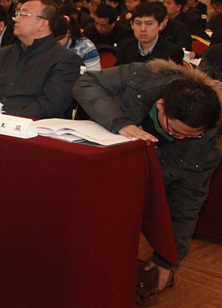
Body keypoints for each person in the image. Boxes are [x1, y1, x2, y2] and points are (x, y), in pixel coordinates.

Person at [73, 61, 221, 297]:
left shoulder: (205, 145)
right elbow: (86, 82)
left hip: (136, 189)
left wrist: (167, 258)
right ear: (161, 105)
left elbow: (187, 205)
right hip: (98, 167)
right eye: (175, 131)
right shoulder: (142, 77)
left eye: (192, 135)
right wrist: (119, 122)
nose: (181, 139)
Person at [0, 0, 83, 118]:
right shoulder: (5, 53)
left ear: (42, 24)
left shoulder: (64, 60)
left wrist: (2, 115)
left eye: (23, 15)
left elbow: (50, 107)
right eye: (17, 14)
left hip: (32, 125)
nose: (16, 19)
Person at [116, 2, 184, 66]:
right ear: (132, 25)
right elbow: (118, 72)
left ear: (160, 25)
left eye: (149, 24)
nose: (142, 29)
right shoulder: (125, 46)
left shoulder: (173, 52)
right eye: (138, 23)